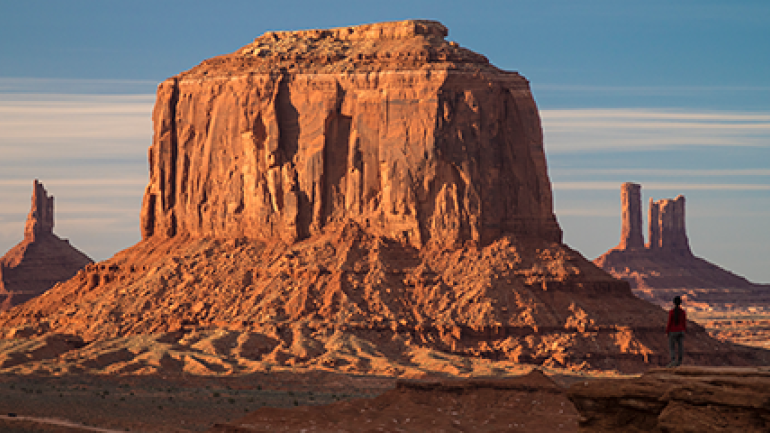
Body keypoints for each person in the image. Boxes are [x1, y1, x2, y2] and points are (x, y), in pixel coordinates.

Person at [665, 296, 686, 367]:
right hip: (681, 331)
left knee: (672, 347)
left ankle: (673, 361)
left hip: (673, 331)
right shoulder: (683, 312)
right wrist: (684, 330)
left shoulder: (671, 312)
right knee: (680, 346)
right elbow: (684, 323)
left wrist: (667, 331)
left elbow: (669, 322)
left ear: (674, 303)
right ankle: (679, 361)